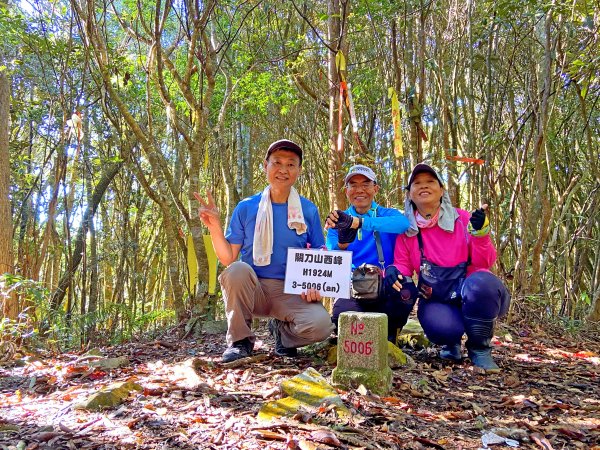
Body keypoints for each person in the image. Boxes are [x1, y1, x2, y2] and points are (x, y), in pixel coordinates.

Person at [195, 139, 334, 363]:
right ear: (265, 166)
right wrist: (214, 227)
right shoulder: (247, 207)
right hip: (253, 288)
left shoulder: (308, 209)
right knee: (236, 270)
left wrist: (314, 283)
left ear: (298, 170)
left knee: (322, 326)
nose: (283, 169)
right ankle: (240, 342)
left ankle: (283, 335)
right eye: (277, 162)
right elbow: (227, 257)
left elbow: (318, 251)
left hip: (290, 290)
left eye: (291, 164)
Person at [386, 163, 511, 372]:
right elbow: (403, 265)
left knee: (483, 284)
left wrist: (481, 234)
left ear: (441, 190)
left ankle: (479, 348)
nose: (424, 186)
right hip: (438, 297)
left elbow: (484, 262)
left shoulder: (462, 219)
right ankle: (451, 343)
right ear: (409, 195)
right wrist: (392, 271)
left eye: (430, 182)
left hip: (471, 290)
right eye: (417, 183)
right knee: (440, 327)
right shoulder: (406, 230)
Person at [325, 164, 411, 342]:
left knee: (407, 292)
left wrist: (361, 223)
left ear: (375, 189)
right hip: (353, 285)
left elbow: (403, 224)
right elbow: (333, 255)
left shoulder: (387, 214)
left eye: (365, 184)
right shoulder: (338, 220)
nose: (359, 190)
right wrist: (342, 241)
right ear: (347, 191)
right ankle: (356, 340)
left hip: (385, 282)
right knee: (341, 315)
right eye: (353, 185)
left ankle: (389, 335)